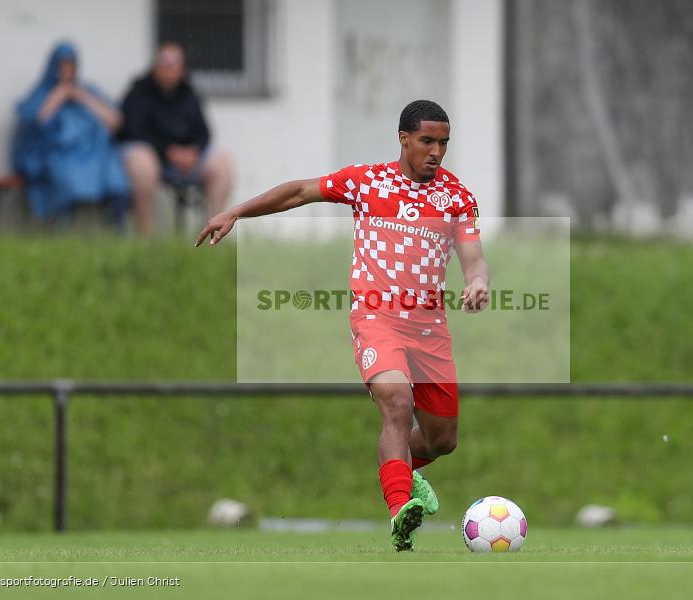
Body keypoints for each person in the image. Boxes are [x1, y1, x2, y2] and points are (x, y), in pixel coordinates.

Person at [196, 100, 490, 552]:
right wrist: (236, 211)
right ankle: (400, 511)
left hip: (430, 329)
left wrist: (477, 282)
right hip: (377, 318)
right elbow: (298, 192)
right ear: (404, 138)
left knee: (443, 439)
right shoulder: (367, 181)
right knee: (397, 401)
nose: (436, 151)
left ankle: (401, 469)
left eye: (444, 143)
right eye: (428, 141)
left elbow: (472, 254)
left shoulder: (456, 196)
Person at [120, 43, 233, 235]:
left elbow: (204, 132)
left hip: (186, 159)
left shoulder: (189, 93)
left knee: (221, 164)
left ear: (182, 69)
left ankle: (210, 236)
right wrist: (167, 152)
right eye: (165, 64)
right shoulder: (139, 91)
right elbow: (133, 129)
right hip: (154, 157)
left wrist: (194, 151)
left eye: (174, 65)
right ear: (155, 66)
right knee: (142, 163)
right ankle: (146, 239)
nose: (169, 70)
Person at [12, 41, 129, 224]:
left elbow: (115, 121)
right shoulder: (42, 92)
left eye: (71, 65)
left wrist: (83, 98)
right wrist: (59, 95)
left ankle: (118, 228)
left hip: (94, 154)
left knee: (114, 175)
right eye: (62, 65)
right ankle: (62, 229)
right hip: (59, 153)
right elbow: (34, 123)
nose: (67, 70)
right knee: (66, 175)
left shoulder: (87, 91)